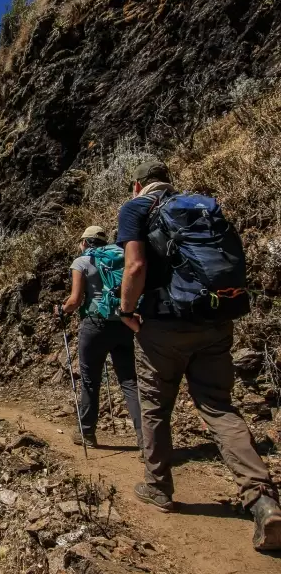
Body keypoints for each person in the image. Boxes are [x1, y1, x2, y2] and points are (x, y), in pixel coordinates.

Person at [117, 160, 281, 551]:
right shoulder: (201, 206)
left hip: (162, 327)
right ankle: (262, 499)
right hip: (214, 321)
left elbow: (135, 265)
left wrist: (126, 311)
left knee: (156, 405)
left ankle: (158, 487)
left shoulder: (136, 208)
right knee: (220, 407)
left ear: (138, 184)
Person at [55, 225, 143, 455]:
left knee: (90, 380)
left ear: (84, 242)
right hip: (124, 323)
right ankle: (147, 440)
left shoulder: (81, 261)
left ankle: (87, 433)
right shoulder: (123, 256)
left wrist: (62, 310)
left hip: (94, 324)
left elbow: (75, 300)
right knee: (129, 381)